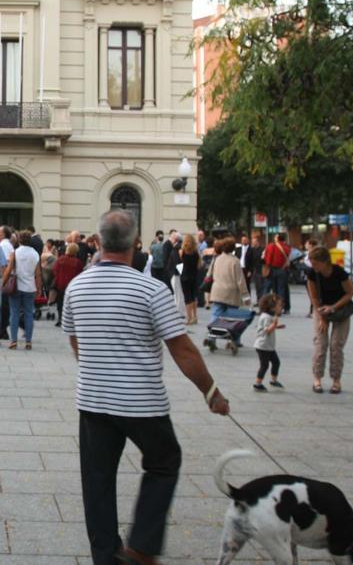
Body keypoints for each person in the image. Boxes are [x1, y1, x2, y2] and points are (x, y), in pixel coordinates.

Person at [62, 210, 230, 565]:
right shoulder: (150, 289)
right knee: (164, 461)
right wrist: (211, 391)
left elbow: (76, 341)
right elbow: (181, 348)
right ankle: (141, 546)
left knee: (97, 481)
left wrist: (98, 370)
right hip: (142, 403)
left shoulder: (77, 286)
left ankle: (107, 557)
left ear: (99, 241)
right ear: (136, 243)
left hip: (93, 400)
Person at [306, 246, 353, 394]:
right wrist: (322, 317)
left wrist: (333, 307)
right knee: (321, 344)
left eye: (315, 263)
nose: (313, 267)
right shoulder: (312, 274)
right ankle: (317, 379)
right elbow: (314, 297)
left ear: (324, 262)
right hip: (321, 309)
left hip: (340, 311)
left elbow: (350, 293)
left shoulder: (339, 273)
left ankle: (336, 380)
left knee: (336, 345)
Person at [4, 230, 42, 350]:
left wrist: (3, 283)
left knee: (14, 313)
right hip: (30, 287)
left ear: (19, 240)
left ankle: (14, 341)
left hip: (16, 287)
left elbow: (9, 270)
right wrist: (39, 289)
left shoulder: (14, 252)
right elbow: (38, 274)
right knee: (28, 314)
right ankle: (28, 341)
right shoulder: (35, 254)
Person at [208, 237, 250, 340]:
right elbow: (240, 280)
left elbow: (209, 274)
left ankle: (212, 338)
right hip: (231, 293)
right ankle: (235, 340)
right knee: (233, 317)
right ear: (233, 249)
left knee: (215, 314)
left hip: (217, 291)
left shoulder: (217, 259)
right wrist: (245, 296)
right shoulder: (235, 261)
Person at [252, 293, 285, 392]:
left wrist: (277, 326)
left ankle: (273, 380)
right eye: (279, 306)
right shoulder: (266, 317)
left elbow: (267, 328)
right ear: (272, 306)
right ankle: (258, 383)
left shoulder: (267, 316)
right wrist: (275, 324)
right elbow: (267, 330)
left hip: (268, 346)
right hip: (263, 346)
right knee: (264, 365)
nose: (281, 308)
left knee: (276, 362)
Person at [52, 243, 83, 328]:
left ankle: (60, 319)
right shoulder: (78, 262)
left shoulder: (60, 259)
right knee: (72, 303)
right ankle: (71, 320)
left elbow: (54, 270)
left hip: (60, 285)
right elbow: (80, 274)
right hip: (72, 286)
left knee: (60, 302)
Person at [262, 232, 292, 312]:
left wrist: (267, 266)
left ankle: (264, 307)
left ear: (278, 237)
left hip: (272, 269)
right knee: (281, 289)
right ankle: (280, 307)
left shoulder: (272, 246)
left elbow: (268, 258)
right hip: (283, 269)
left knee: (267, 288)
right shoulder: (287, 247)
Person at [179, 234, 200, 325]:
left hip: (185, 277)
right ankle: (195, 317)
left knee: (187, 298)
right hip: (194, 276)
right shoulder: (196, 253)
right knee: (193, 296)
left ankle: (189, 318)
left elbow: (181, 259)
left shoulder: (182, 251)